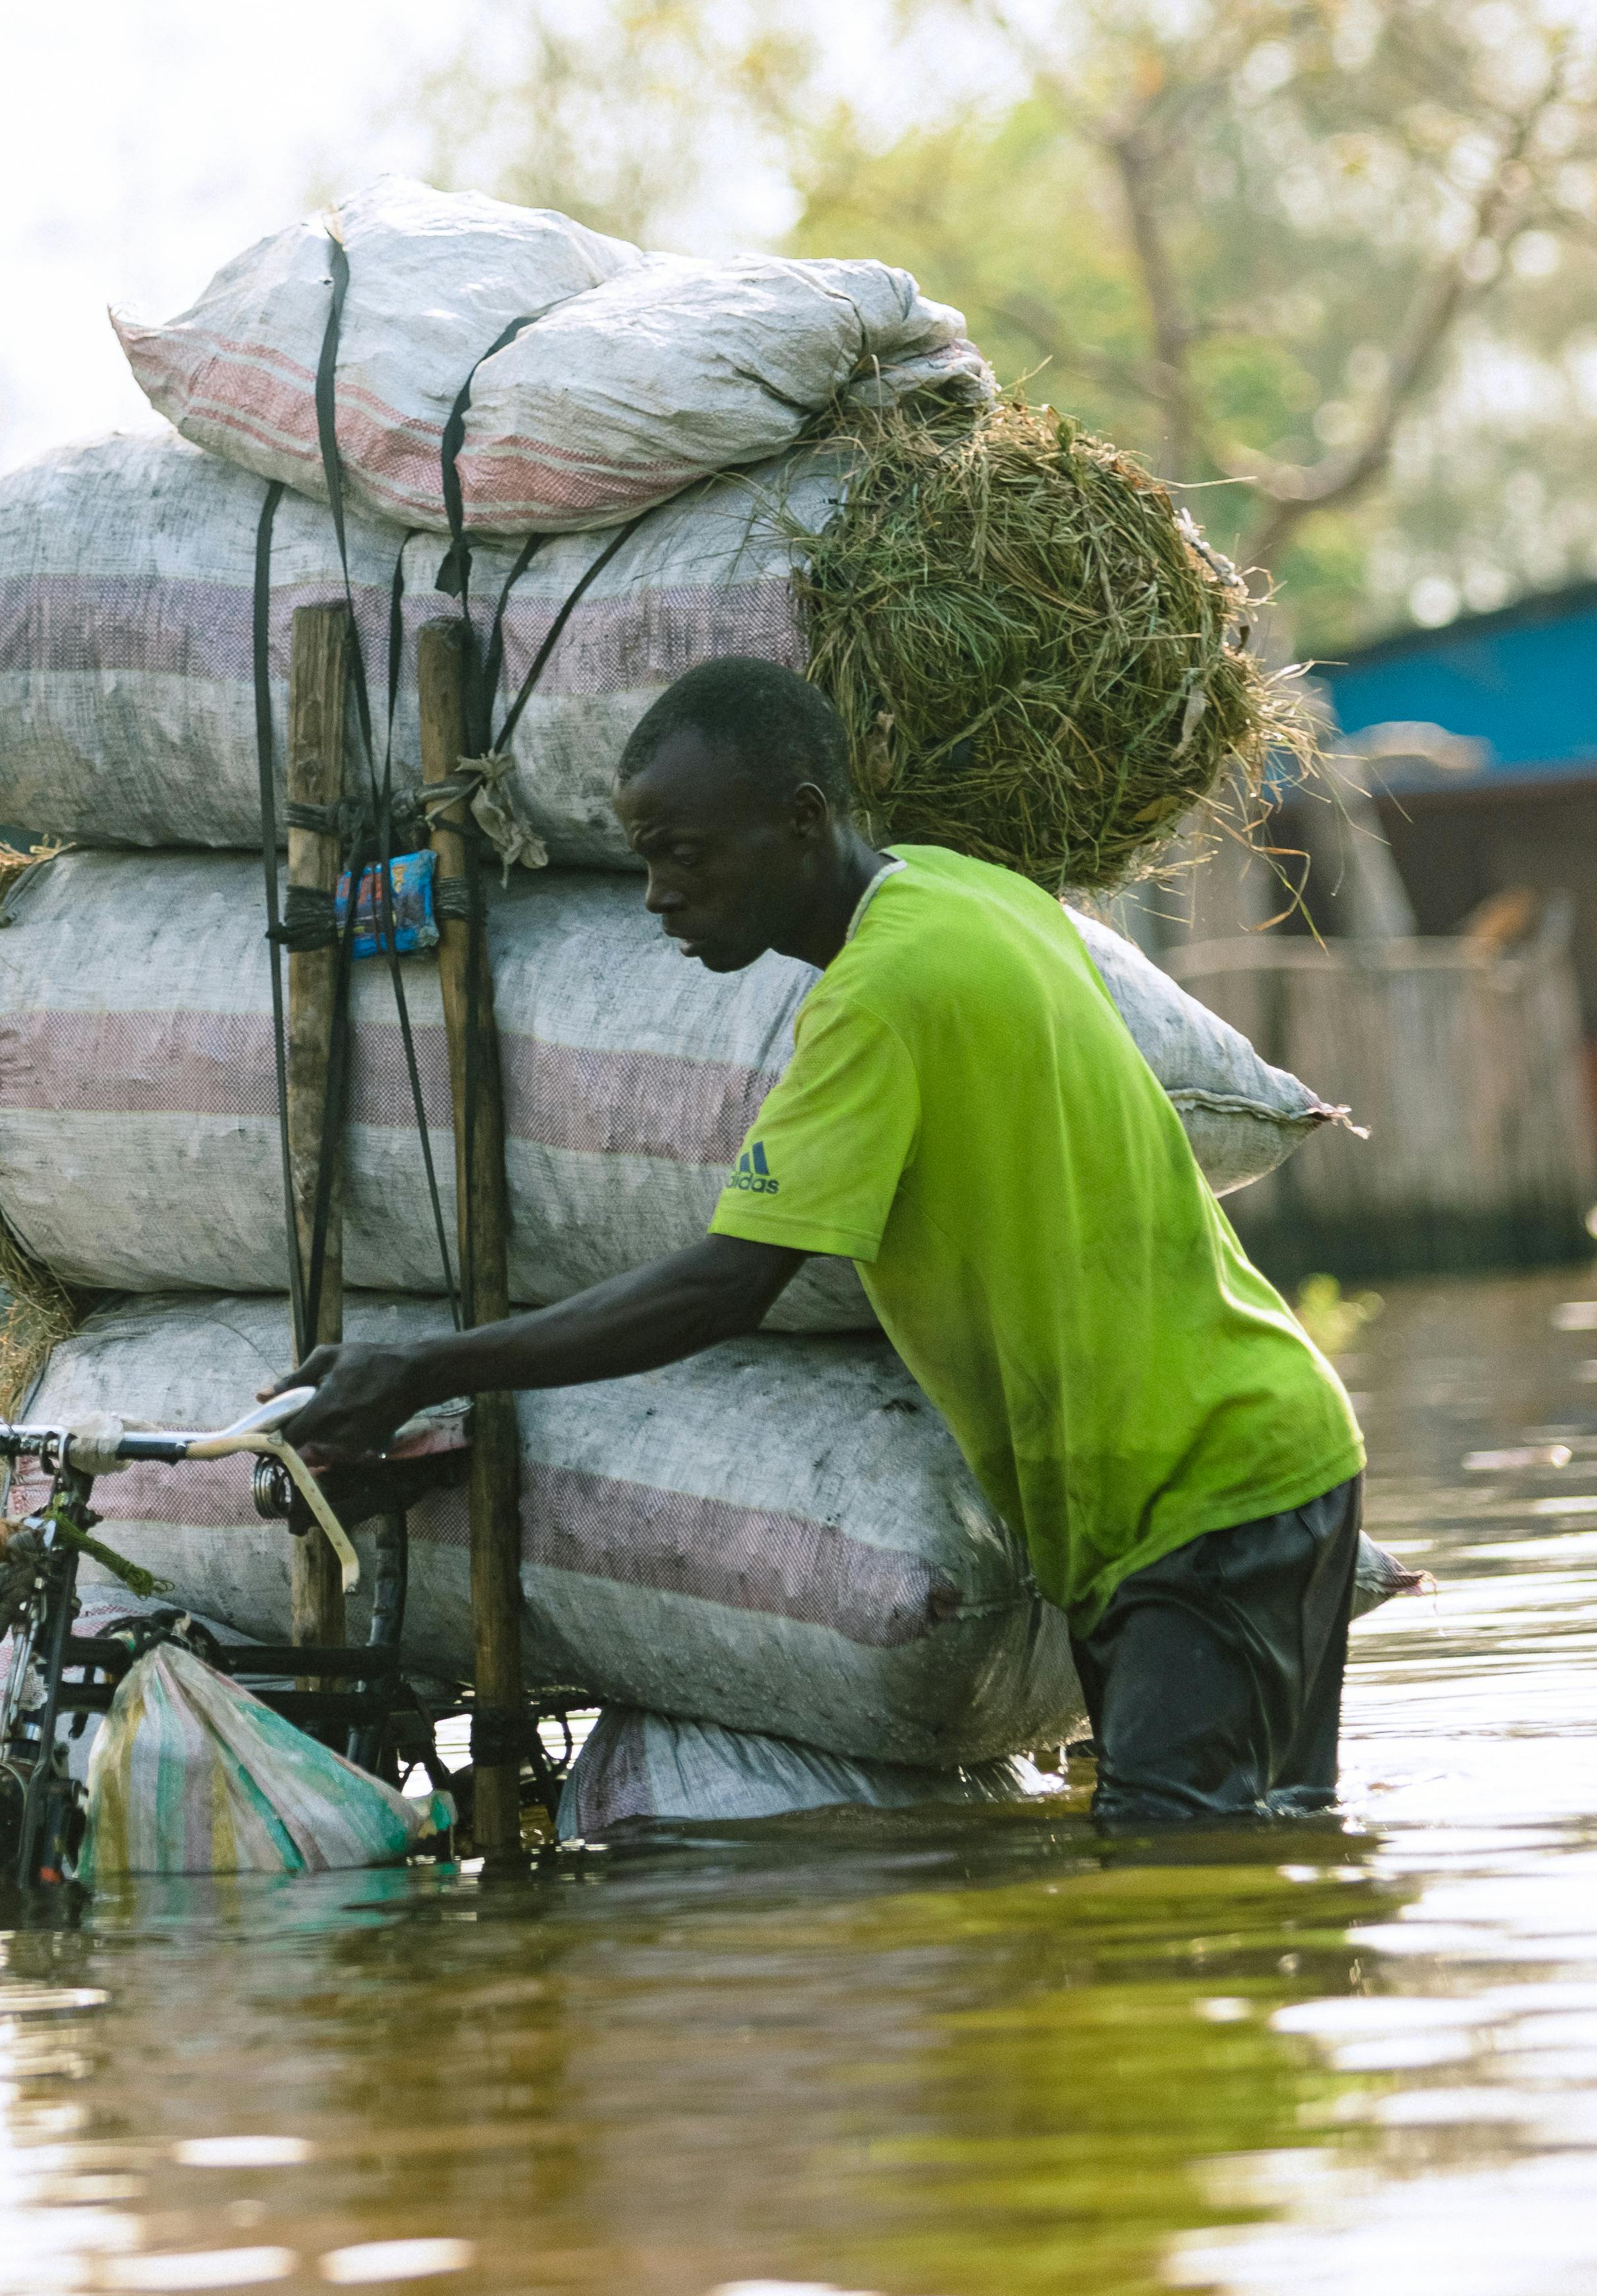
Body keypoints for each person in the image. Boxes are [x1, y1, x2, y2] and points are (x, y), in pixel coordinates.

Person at [283, 654, 1368, 1825]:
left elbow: (725, 1286)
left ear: (802, 821)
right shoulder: (958, 891)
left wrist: (422, 1368)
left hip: (1200, 1491)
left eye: (685, 854)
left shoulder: (877, 996)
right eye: (646, 855)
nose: (656, 894)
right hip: (1246, 1460)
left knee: (1179, 1894)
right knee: (1266, 1877)